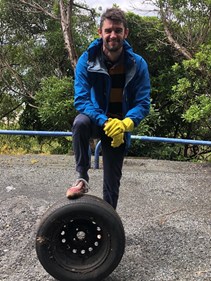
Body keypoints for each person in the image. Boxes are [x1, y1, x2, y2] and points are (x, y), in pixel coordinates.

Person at [66, 7, 150, 209]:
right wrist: (104, 120)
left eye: (118, 30)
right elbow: (81, 100)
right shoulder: (87, 60)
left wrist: (127, 122)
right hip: (97, 121)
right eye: (109, 30)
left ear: (125, 33)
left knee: (112, 186)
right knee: (80, 122)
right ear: (100, 32)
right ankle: (81, 178)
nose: (113, 35)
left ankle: (109, 230)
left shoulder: (137, 64)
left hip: (119, 130)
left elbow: (142, 102)